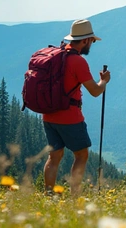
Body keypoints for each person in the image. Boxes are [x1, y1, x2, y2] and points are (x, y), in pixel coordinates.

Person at [42, 19, 111, 195]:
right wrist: (103, 81)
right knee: (81, 155)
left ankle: (48, 194)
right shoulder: (77, 61)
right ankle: (75, 195)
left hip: (49, 114)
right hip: (70, 116)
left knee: (54, 157)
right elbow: (95, 91)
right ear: (85, 40)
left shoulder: (56, 55)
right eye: (92, 41)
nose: (92, 45)